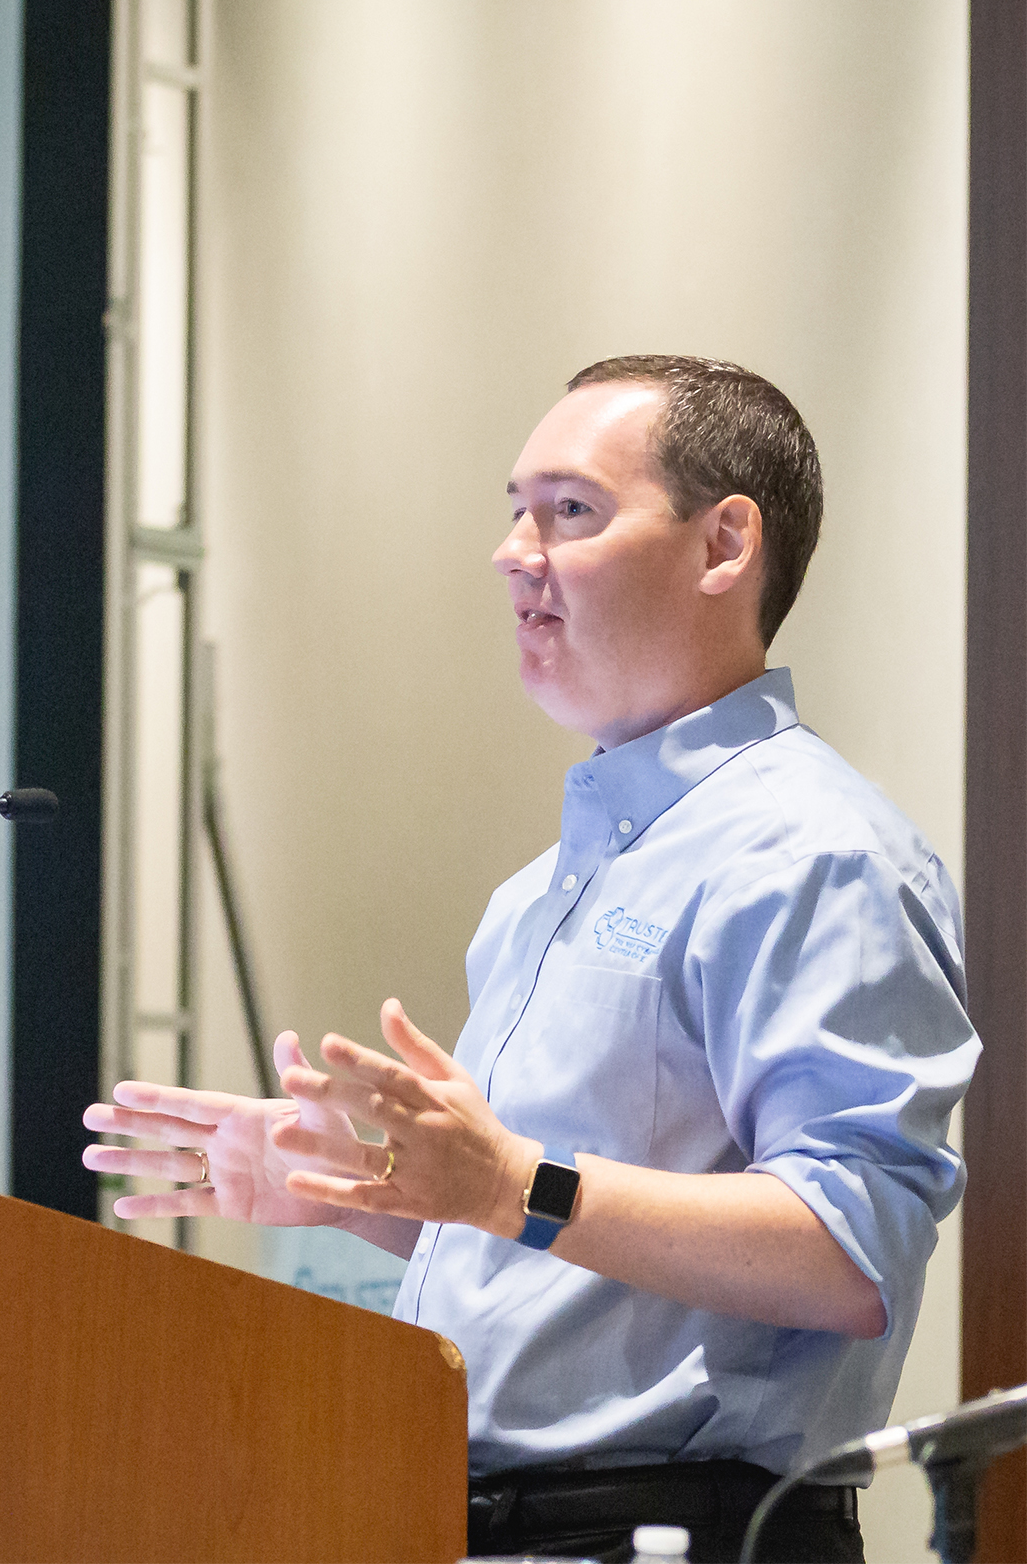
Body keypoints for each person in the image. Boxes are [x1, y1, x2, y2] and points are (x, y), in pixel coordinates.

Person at [83, 357, 979, 1563]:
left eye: (570, 510)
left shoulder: (813, 853)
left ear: (723, 543)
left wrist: (506, 1179)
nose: (514, 551)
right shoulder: (539, 893)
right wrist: (385, 1190)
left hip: (682, 1533)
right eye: (516, 507)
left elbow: (847, 1249)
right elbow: (575, 1255)